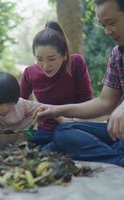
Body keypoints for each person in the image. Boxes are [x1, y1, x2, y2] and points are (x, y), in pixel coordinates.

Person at [36, 0, 124, 172]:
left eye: (111, 23)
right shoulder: (117, 54)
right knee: (64, 131)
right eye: (102, 25)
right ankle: (123, 159)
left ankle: (110, 151)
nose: (107, 31)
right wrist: (57, 110)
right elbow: (104, 102)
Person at [20, 21, 94, 149]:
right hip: (45, 132)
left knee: (68, 138)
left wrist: (75, 122)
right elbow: (18, 105)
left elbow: (87, 101)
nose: (45, 65)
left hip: (74, 126)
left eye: (52, 59)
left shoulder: (76, 63)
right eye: (39, 59)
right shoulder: (30, 72)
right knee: (38, 145)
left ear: (64, 54)